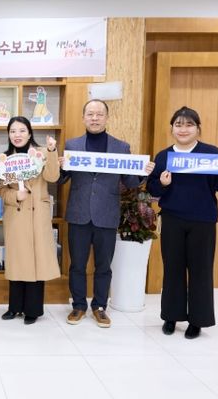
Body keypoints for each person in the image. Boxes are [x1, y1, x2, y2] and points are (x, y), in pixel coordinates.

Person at [147, 106, 218, 339]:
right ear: (172, 129)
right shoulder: (164, 156)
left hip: (203, 221)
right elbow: (152, 188)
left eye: (189, 124)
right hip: (172, 219)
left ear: (198, 129)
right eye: (178, 124)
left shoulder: (210, 153)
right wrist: (163, 184)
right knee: (173, 269)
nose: (183, 129)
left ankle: (197, 321)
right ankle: (171, 317)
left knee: (201, 271)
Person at [58, 99, 154, 328]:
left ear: (107, 118)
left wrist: (143, 173)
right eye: (90, 114)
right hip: (79, 214)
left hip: (107, 214)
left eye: (99, 114)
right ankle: (78, 306)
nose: (95, 118)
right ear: (83, 117)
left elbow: (130, 182)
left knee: (103, 266)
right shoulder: (72, 145)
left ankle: (100, 307)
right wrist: (59, 165)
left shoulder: (121, 147)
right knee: (77, 265)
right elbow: (62, 180)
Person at [0, 116, 60, 324]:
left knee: (36, 260)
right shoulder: (5, 159)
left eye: (22, 130)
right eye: (13, 131)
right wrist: (15, 195)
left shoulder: (42, 153)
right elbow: (1, 189)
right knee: (17, 261)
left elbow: (52, 177)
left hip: (38, 214)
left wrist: (52, 150)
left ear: (30, 133)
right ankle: (14, 307)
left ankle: (33, 310)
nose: (17, 135)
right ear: (8, 135)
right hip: (16, 214)